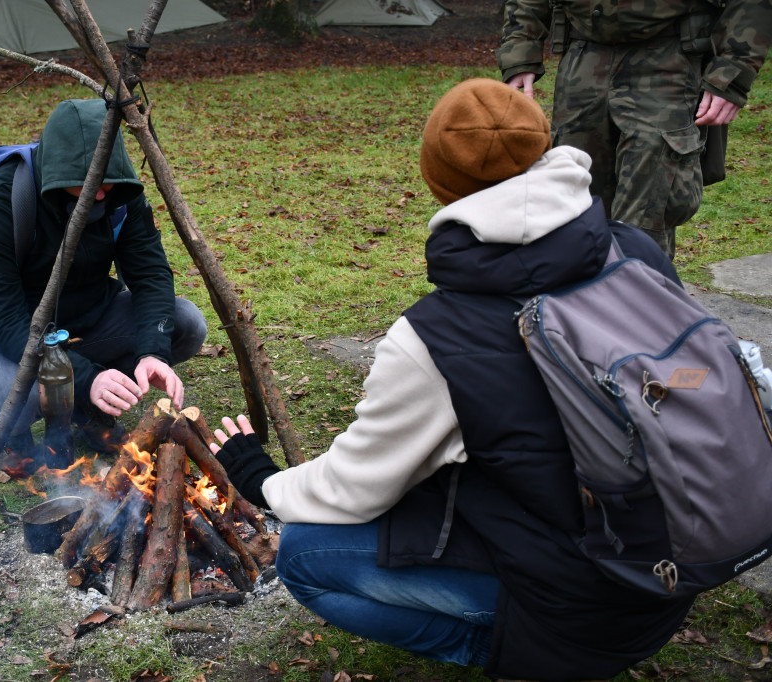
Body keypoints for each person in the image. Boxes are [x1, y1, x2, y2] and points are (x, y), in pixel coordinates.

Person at [209, 79, 695, 681]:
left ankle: (508, 653)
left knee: (305, 555)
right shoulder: (637, 251)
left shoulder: (438, 337)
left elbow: (353, 488)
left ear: (438, 182)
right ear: (545, 147)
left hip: (584, 614)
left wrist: (262, 479)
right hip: (671, 571)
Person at [0, 98, 207, 470]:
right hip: (6, 333)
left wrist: (153, 351)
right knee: (2, 391)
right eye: (90, 184)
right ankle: (18, 434)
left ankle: (90, 413)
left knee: (185, 323)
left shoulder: (119, 193)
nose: (102, 193)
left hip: (90, 316)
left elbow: (151, 274)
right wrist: (86, 377)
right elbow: (5, 323)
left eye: (109, 180)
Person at [497, 0, 772, 258]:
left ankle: (639, 300)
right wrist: (520, 51)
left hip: (668, 57)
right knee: (572, 194)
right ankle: (577, 304)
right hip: (583, 56)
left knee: (648, 208)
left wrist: (733, 69)